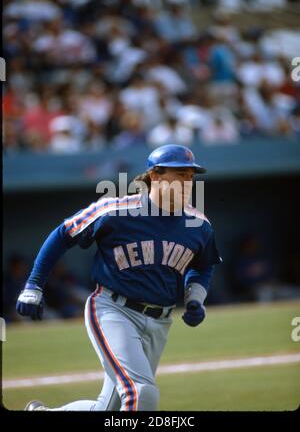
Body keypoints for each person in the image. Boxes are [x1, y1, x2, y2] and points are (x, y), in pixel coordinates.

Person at [16, 144, 222, 411]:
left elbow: (204, 265)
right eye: (180, 174)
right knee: (141, 393)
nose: (187, 182)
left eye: (191, 176)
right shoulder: (116, 210)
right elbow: (63, 234)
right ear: (156, 176)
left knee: (108, 409)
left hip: (160, 321)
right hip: (113, 309)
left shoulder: (198, 223)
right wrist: (33, 285)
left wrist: (196, 297)